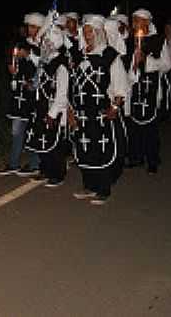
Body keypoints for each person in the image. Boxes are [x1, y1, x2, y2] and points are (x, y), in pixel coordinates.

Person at [71, 14, 128, 205]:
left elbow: (121, 86)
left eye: (91, 31)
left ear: (98, 33)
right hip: (82, 113)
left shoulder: (110, 56)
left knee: (102, 149)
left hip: (102, 112)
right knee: (85, 148)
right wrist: (71, 111)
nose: (87, 35)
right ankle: (89, 185)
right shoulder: (79, 56)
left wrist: (114, 106)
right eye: (85, 31)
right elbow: (74, 87)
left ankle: (103, 189)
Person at [123, 9, 171, 174]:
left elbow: (167, 65)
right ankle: (135, 157)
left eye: (137, 21)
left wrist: (147, 61)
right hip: (135, 88)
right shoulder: (130, 41)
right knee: (134, 126)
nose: (134, 24)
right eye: (133, 21)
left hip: (151, 89)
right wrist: (132, 69)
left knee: (150, 128)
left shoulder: (159, 41)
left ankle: (152, 159)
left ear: (146, 22)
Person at [23, 21, 71, 187]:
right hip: (41, 108)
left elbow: (62, 93)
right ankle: (45, 170)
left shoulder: (61, 65)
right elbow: (40, 80)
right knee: (42, 140)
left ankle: (58, 174)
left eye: (47, 42)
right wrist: (32, 85)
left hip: (54, 110)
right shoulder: (44, 61)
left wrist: (53, 113)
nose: (44, 45)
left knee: (55, 144)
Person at [0, 12, 44, 177]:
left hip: (35, 94)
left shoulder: (44, 45)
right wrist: (13, 68)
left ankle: (35, 163)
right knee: (16, 130)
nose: (30, 30)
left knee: (32, 128)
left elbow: (45, 64)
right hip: (19, 93)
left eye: (33, 27)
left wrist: (29, 55)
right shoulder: (22, 43)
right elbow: (16, 64)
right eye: (29, 26)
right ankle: (13, 163)